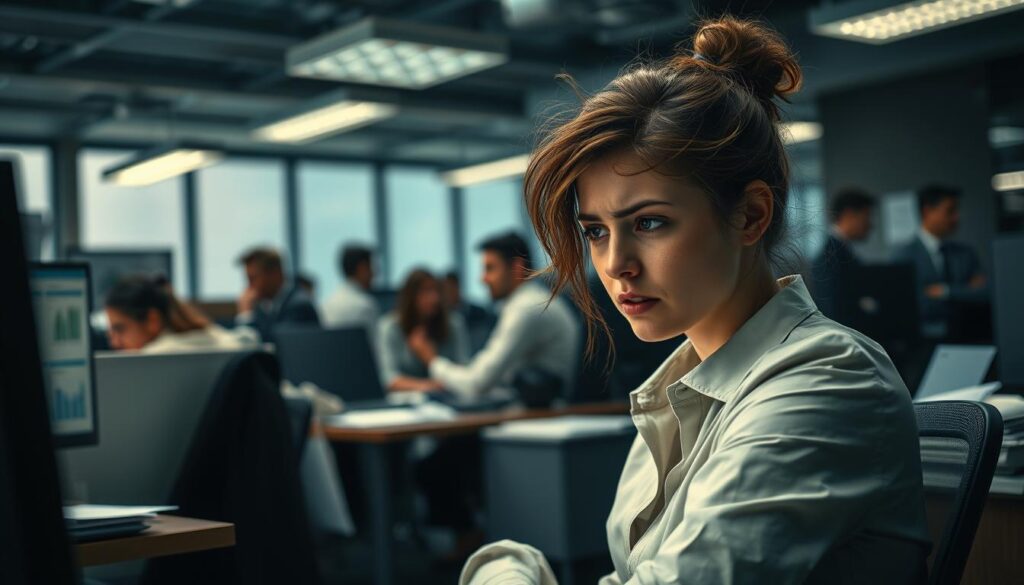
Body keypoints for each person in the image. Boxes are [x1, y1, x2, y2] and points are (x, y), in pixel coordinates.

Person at [460, 16, 929, 585]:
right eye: (596, 232)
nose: (615, 264)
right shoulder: (680, 391)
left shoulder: (828, 382)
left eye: (649, 222)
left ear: (751, 215)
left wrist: (509, 570)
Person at [893, 184, 986, 338]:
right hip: (924, 341)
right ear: (927, 211)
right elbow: (909, 305)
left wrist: (945, 291)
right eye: (950, 211)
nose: (956, 217)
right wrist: (963, 292)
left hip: (967, 336)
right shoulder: (903, 256)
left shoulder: (965, 254)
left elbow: (982, 293)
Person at [106, 276, 254, 353]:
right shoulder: (216, 336)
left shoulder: (153, 358)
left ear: (152, 320)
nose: (115, 343)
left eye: (120, 329)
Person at [378, 269, 470, 391]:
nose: (434, 298)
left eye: (436, 291)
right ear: (410, 297)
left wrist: (430, 357)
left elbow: (464, 372)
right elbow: (389, 379)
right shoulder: (389, 327)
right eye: (425, 291)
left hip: (450, 397)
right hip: (408, 399)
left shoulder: (454, 324)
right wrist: (430, 386)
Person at [808, 188, 875, 317]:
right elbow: (832, 311)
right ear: (849, 215)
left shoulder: (841, 251)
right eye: (866, 217)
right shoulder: (828, 257)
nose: (870, 225)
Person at [235, 247, 320, 342]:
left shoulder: (299, 306)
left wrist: (246, 316)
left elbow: (274, 344)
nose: (249, 286)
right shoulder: (264, 306)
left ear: (275, 274)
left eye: (253, 279)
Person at [322, 245, 380, 344]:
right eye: (372, 267)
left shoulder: (326, 304)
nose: (374, 274)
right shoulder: (366, 305)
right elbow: (376, 346)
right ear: (362, 268)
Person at [442, 270, 496, 354]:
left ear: (458, 287)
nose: (449, 292)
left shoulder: (479, 313)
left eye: (451, 288)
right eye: (446, 289)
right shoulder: (444, 319)